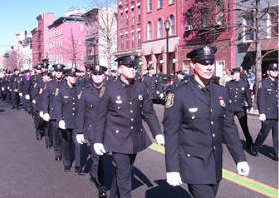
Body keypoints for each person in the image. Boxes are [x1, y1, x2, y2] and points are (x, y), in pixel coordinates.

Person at [163, 46, 250, 198]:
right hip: (193, 162)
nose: (209, 67)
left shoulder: (221, 92)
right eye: (203, 63)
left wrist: (240, 159)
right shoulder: (179, 94)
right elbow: (171, 133)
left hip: (215, 161)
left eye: (211, 62)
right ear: (193, 65)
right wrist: (172, 168)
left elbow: (228, 127)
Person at [93, 55, 165, 198]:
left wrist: (157, 132)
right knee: (125, 175)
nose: (133, 69)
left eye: (134, 66)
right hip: (117, 138)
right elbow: (101, 116)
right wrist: (97, 140)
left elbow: (149, 111)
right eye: (129, 66)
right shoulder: (109, 88)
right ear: (120, 69)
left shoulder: (140, 86)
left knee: (123, 171)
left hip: (135, 137)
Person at [76, 65, 108, 198]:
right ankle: (101, 185)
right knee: (97, 157)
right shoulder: (86, 91)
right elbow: (81, 112)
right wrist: (79, 131)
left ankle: (94, 175)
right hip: (93, 129)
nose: (98, 77)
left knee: (103, 156)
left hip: (108, 128)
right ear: (91, 76)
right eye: (95, 75)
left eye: (100, 74)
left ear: (104, 76)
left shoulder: (110, 89)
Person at [251, 63, 278, 160]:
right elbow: (261, 98)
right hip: (268, 113)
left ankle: (277, 154)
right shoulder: (263, 83)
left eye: (277, 70)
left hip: (277, 113)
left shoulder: (277, 82)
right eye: (273, 70)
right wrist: (261, 112)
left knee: (277, 135)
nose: (276, 72)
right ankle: (254, 148)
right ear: (268, 72)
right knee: (263, 133)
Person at [225, 67, 253, 151]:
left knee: (244, 127)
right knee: (229, 126)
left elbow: (248, 96)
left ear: (238, 74)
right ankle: (233, 142)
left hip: (240, 108)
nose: (232, 76)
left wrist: (250, 106)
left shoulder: (244, 84)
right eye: (231, 74)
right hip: (230, 108)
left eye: (233, 74)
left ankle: (250, 143)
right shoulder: (228, 84)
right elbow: (226, 96)